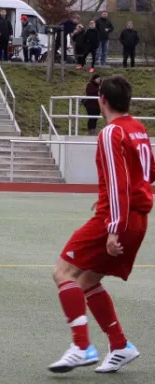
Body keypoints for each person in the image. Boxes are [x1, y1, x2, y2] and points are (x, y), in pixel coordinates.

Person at [49, 76, 153, 373]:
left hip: (116, 219)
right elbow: (147, 172)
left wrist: (113, 226)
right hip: (138, 219)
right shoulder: (138, 129)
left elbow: (121, 183)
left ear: (101, 101)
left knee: (63, 272)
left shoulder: (111, 132)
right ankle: (120, 345)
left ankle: (81, 347)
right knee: (86, 282)